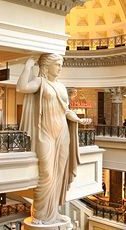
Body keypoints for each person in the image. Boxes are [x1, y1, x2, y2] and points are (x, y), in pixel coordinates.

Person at [17, 54, 82, 225]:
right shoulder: (40, 82)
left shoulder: (61, 86)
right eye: (57, 65)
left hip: (62, 132)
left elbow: (65, 109)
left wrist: (73, 116)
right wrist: (28, 66)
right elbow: (21, 87)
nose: (60, 68)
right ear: (47, 66)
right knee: (46, 173)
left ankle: (54, 212)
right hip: (45, 132)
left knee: (59, 173)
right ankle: (40, 214)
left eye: (61, 65)